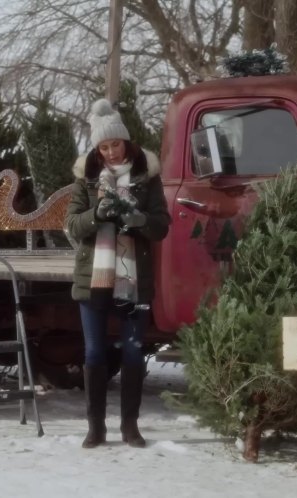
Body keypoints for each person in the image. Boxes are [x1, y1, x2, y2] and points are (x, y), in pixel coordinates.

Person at [64, 98, 171, 449]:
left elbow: (162, 227)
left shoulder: (147, 176)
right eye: (104, 146)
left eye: (116, 144)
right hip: (93, 276)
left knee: (131, 353)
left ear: (126, 141)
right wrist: (97, 214)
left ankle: (130, 426)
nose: (110, 152)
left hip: (133, 279)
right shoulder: (86, 178)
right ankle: (96, 427)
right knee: (94, 354)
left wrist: (140, 221)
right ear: (97, 147)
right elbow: (73, 225)